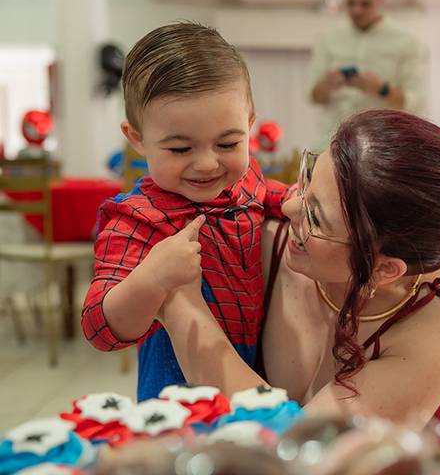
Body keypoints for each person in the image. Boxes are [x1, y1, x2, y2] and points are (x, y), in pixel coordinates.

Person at [157, 109, 440, 432]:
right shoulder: (266, 236)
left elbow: (307, 453)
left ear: (384, 269)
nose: (290, 205)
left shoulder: (439, 323)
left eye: (316, 217)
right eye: (307, 179)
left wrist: (179, 307)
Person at [81, 22, 290, 401]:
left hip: (250, 371)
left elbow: (271, 195)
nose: (208, 164)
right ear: (138, 139)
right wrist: (151, 280)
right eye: (180, 150)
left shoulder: (245, 180)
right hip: (172, 396)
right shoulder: (136, 220)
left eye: (227, 143)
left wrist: (298, 202)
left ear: (249, 126)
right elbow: (99, 326)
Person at [308, 0, 425, 148]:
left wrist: (382, 89)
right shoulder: (328, 38)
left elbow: (415, 103)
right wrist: (327, 84)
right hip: (332, 144)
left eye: (365, 4)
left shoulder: (407, 43)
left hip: (383, 148)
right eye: (351, 3)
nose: (357, 10)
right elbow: (313, 96)